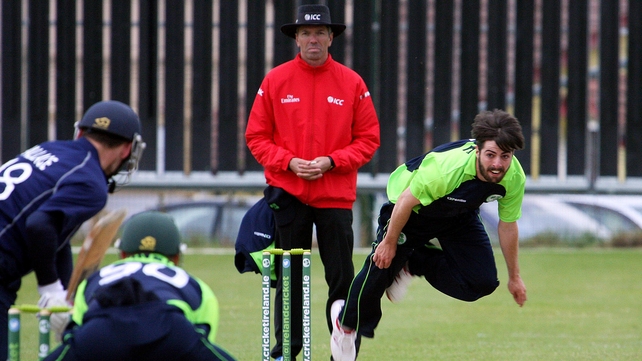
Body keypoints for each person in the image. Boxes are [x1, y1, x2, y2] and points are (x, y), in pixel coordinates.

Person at [330, 109, 529, 361]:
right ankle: (345, 325)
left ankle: (414, 262)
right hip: (410, 209)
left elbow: (508, 225)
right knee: (382, 263)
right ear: (478, 151)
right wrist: (389, 243)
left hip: (458, 215)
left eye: (505, 156)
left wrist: (515, 277)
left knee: (482, 282)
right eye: (491, 155)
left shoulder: (513, 177)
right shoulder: (448, 169)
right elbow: (404, 201)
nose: (498, 164)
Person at [245, 4, 380, 360]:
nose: (313, 39)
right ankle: (287, 351)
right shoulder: (276, 80)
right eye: (306, 33)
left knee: (341, 278)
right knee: (288, 279)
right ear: (296, 39)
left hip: (334, 196)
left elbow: (368, 140)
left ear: (331, 37)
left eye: (320, 32)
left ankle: (343, 351)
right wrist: (288, 162)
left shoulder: (352, 83)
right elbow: (256, 137)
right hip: (288, 194)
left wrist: (332, 161)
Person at [0, 100, 145, 359]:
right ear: (127, 149)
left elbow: (56, 234)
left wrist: (67, 301)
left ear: (81, 132)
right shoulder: (90, 181)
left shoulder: (51, 148)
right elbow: (39, 226)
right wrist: (50, 290)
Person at [45, 211, 237, 361]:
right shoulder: (196, 285)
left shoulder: (93, 280)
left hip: (102, 330)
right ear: (177, 256)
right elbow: (201, 336)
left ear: (122, 254)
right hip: (170, 328)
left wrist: (68, 332)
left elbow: (79, 324)